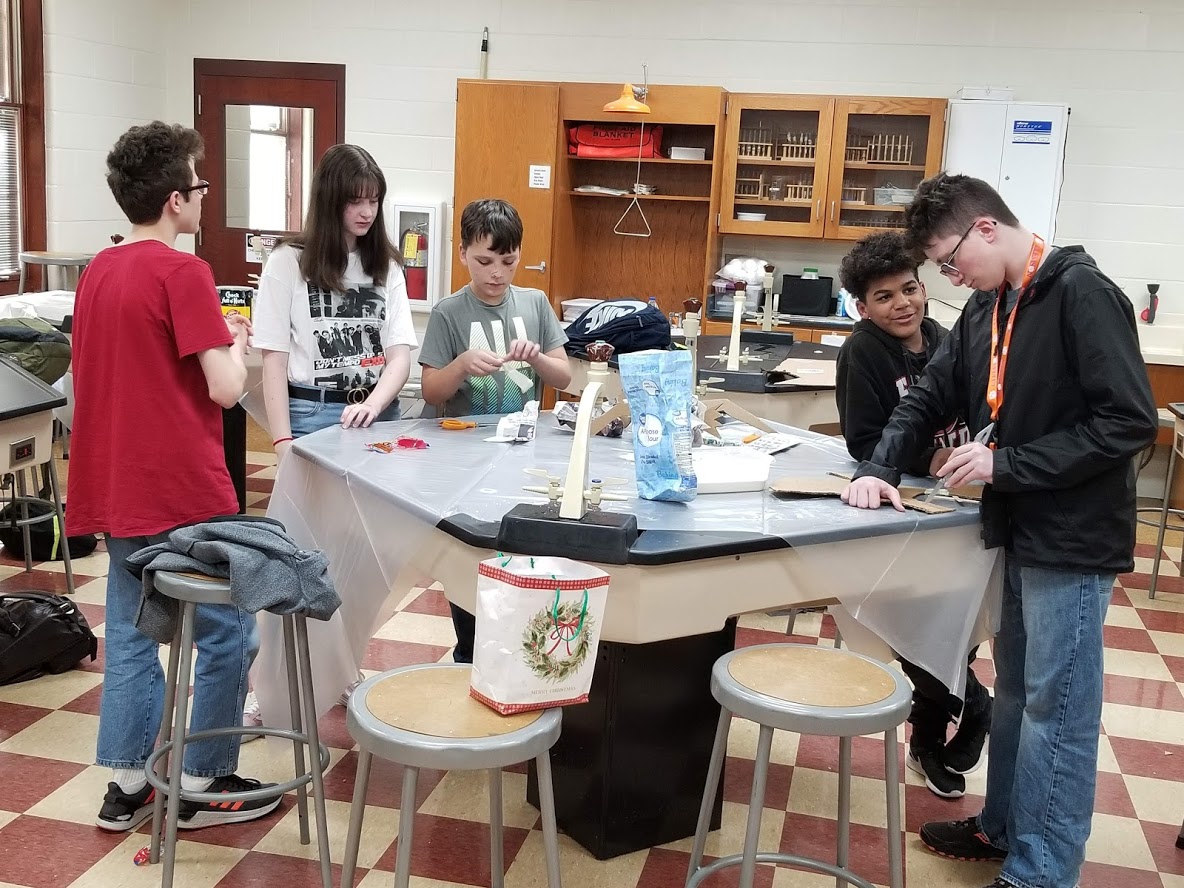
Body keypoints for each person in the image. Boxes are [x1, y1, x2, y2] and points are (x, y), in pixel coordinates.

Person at [841, 173, 1157, 888]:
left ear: (985, 228)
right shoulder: (989, 306)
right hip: (1015, 524)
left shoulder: (1080, 293)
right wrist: (879, 467)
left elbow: (1128, 422)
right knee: (1016, 691)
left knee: (1057, 708)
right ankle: (1005, 827)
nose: (949, 279)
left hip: (1072, 538)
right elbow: (928, 395)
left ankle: (1043, 871)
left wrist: (1005, 463)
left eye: (950, 262)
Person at [66, 121, 282, 832]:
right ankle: (201, 779)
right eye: (200, 185)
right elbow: (225, 389)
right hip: (182, 491)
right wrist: (237, 342)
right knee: (228, 632)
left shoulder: (100, 270)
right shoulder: (183, 272)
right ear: (174, 199)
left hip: (117, 487)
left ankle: (128, 783)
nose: (204, 196)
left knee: (133, 633)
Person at [835, 231, 991, 799]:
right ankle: (974, 704)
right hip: (899, 509)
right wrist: (930, 458)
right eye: (884, 297)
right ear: (862, 307)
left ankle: (926, 743)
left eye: (909, 289)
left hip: (957, 506)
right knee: (913, 626)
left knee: (957, 623)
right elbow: (863, 441)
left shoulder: (947, 339)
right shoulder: (862, 353)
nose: (902, 304)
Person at [418, 198, 571, 662]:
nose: (497, 273)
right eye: (484, 261)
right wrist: (461, 365)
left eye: (508, 261)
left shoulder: (535, 303)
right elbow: (431, 390)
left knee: (523, 555)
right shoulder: (448, 312)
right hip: (466, 461)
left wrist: (538, 358)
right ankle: (468, 651)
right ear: (463, 252)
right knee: (471, 558)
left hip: (525, 460)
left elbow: (564, 377)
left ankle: (520, 650)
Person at [252, 144, 416, 465]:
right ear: (330, 200)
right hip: (312, 412)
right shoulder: (288, 260)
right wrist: (282, 441)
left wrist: (373, 405)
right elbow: (274, 360)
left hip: (378, 411)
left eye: (373, 201)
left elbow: (399, 357)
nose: (367, 212)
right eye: (355, 201)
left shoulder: (387, 265)